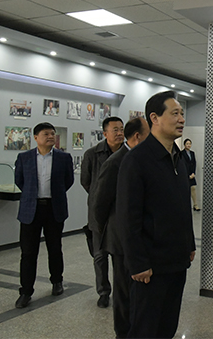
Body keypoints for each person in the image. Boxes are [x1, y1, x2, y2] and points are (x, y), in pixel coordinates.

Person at [117, 91, 196, 338]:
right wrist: (138, 263)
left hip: (176, 261)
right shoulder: (137, 160)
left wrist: (190, 244)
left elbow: (182, 206)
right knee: (145, 329)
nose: (181, 119)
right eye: (175, 113)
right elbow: (127, 217)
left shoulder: (178, 158)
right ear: (155, 118)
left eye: (182, 113)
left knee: (167, 327)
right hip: (150, 267)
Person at [92, 117, 150, 339]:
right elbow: (100, 203)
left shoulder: (141, 159)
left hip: (138, 236)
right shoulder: (116, 162)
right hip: (120, 239)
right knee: (123, 290)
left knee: (137, 290)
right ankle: (123, 332)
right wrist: (109, 232)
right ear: (137, 136)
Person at [14, 122, 74, 308]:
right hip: (30, 210)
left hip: (54, 208)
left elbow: (68, 181)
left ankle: (57, 281)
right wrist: (33, 196)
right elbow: (20, 181)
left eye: (52, 134)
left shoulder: (64, 158)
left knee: (55, 248)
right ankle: (26, 291)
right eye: (46, 134)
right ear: (36, 137)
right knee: (28, 252)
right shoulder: (24, 157)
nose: (50, 136)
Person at [81, 116, 124, 308]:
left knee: (119, 255)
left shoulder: (128, 153)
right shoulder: (92, 154)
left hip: (119, 212)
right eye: (115, 130)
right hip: (98, 213)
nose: (120, 133)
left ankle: (121, 291)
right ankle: (103, 292)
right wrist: (100, 197)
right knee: (99, 256)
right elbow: (86, 181)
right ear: (105, 133)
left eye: (121, 129)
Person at [181, 139, 199, 211]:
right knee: (185, 190)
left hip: (192, 174)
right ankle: (185, 205)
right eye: (187, 144)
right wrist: (187, 175)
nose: (188, 145)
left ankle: (195, 205)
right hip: (185, 174)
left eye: (190, 144)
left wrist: (193, 173)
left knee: (193, 188)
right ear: (184, 145)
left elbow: (194, 163)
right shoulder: (181, 153)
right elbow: (182, 165)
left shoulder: (192, 153)